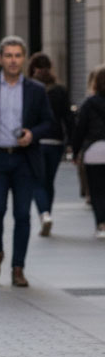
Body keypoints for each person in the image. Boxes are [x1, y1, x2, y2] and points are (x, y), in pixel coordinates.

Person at [0, 36, 53, 287]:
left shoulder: (36, 90)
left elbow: (49, 122)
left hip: (25, 160)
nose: (13, 60)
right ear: (1, 59)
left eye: (17, 55)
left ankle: (18, 267)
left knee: (22, 215)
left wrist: (32, 134)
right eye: (9, 55)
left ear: (23, 58)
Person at [27, 52, 72, 237]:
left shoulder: (28, 89)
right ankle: (48, 214)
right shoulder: (60, 90)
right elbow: (68, 118)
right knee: (49, 182)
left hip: (35, 141)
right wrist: (71, 143)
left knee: (37, 181)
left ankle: (44, 213)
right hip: (55, 141)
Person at [72, 64, 105, 239]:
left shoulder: (89, 103)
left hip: (94, 151)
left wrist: (76, 151)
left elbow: (80, 130)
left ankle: (101, 224)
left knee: (97, 191)